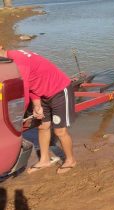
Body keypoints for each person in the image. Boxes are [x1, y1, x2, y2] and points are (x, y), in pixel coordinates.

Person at [0, 46, 76, 174]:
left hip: (59, 90)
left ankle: (70, 160)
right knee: (42, 126)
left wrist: (14, 121)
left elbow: (22, 96)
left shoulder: (18, 62)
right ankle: (44, 160)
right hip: (42, 92)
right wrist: (37, 104)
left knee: (59, 131)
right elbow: (30, 82)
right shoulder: (9, 60)